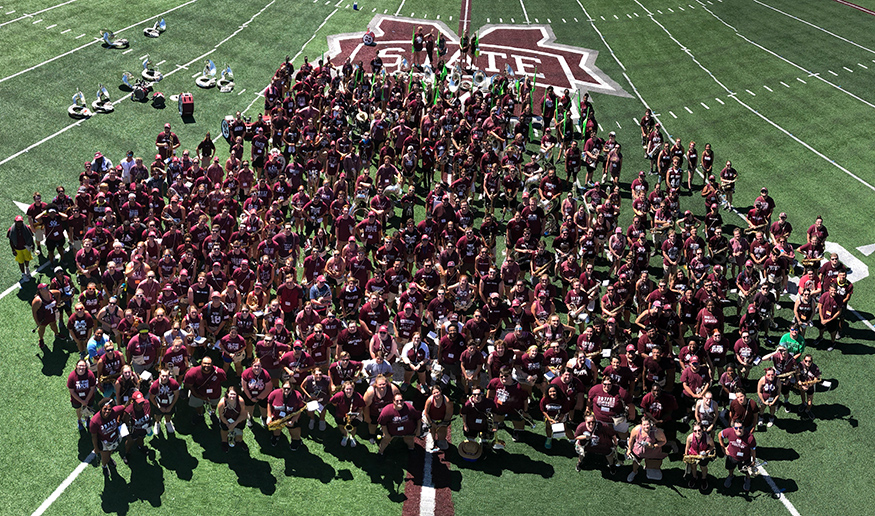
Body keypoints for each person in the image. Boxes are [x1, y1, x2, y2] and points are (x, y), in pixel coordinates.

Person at [183, 356, 227, 426]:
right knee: (198, 405)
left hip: (214, 394)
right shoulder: (192, 372)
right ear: (201, 363)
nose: (207, 365)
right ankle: (200, 414)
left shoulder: (219, 372)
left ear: (212, 364)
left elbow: (223, 380)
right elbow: (189, 385)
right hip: (198, 393)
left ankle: (212, 413)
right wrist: (198, 396)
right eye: (205, 363)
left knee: (214, 404)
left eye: (209, 364)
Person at [90, 399, 126, 478]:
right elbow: (94, 436)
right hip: (104, 443)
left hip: (114, 439)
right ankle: (104, 466)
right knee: (105, 456)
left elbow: (124, 407)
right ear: (101, 408)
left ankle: (108, 459)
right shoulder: (95, 421)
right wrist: (96, 448)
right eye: (105, 409)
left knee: (110, 452)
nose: (107, 411)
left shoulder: (114, 411)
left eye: (109, 409)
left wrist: (119, 419)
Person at [718, 419, 757, 492]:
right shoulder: (729, 432)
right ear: (733, 428)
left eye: (740, 428)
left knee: (747, 471)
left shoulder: (750, 438)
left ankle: (748, 479)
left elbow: (753, 450)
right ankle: (730, 476)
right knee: (730, 468)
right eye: (736, 428)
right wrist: (723, 448)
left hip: (745, 458)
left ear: (744, 427)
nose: (738, 430)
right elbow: (720, 435)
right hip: (731, 456)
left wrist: (753, 460)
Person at [626, 416, 668, 482]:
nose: (646, 427)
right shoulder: (636, 430)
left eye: (647, 424)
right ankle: (634, 472)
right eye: (644, 425)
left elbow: (664, 441)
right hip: (638, 451)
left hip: (652, 453)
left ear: (650, 424)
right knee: (636, 462)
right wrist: (629, 449)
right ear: (641, 424)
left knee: (652, 463)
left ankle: (648, 467)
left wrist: (654, 446)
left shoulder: (656, 432)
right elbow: (631, 439)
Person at [267, 381, 306, 450]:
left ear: (292, 388)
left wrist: (293, 420)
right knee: (276, 431)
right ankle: (276, 436)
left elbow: (301, 409)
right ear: (281, 387)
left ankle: (295, 440)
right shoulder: (274, 393)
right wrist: (269, 416)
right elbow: (269, 403)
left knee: (295, 434)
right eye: (284, 388)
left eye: (288, 388)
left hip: (291, 418)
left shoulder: (297, 395)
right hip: (277, 418)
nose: (286, 390)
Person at [363, 374, 400, 443]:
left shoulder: (393, 389)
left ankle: (386, 434)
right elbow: (365, 406)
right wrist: (367, 417)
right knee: (373, 424)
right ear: (376, 384)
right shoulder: (371, 391)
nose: (382, 386)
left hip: (388, 413)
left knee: (389, 424)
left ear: (387, 383)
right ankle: (372, 435)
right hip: (374, 412)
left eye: (384, 384)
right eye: (380, 384)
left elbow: (399, 401)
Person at [330, 380, 366, 447]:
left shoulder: (358, 396)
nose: (349, 391)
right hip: (341, 415)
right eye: (347, 389)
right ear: (344, 389)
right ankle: (345, 436)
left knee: (354, 427)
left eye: (350, 389)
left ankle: (352, 437)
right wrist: (338, 407)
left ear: (353, 389)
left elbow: (361, 407)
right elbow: (332, 401)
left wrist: (355, 415)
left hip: (353, 416)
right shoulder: (339, 395)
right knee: (341, 426)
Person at [122, 391, 153, 464]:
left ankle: (140, 447)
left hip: (143, 429)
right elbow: (123, 424)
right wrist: (128, 436)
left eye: (142, 401)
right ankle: (127, 453)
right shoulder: (128, 411)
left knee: (141, 438)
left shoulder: (147, 403)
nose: (142, 404)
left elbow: (149, 414)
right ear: (134, 402)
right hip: (133, 431)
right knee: (130, 442)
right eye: (139, 402)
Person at [684, 422, 715, 490]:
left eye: (699, 430)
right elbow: (687, 447)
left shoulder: (708, 438)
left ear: (702, 430)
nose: (697, 432)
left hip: (703, 456)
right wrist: (686, 456)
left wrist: (706, 452)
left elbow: (712, 446)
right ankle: (694, 477)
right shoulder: (690, 437)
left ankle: (704, 478)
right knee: (693, 467)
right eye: (695, 431)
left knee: (703, 468)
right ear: (693, 431)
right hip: (693, 455)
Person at [149, 368, 180, 435]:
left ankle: (168, 422)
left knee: (169, 414)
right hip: (159, 403)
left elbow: (176, 395)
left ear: (169, 375)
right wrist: (159, 407)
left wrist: (171, 406)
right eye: (163, 376)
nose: (165, 378)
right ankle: (157, 423)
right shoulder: (155, 385)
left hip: (170, 403)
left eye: (166, 376)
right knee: (157, 415)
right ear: (160, 375)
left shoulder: (174, 383)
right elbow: (151, 398)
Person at [68, 359, 97, 431]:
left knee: (88, 409)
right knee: (78, 410)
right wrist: (81, 401)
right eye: (80, 366)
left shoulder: (90, 374)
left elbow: (92, 388)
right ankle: (80, 420)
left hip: (88, 397)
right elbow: (72, 391)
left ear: (86, 367)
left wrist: (86, 400)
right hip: (77, 399)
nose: (81, 367)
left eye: (83, 366)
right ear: (76, 366)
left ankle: (87, 419)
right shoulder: (72, 376)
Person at [423, 384, 454, 452]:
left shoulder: (447, 401)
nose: (436, 394)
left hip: (442, 420)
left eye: (437, 392)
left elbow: (449, 413)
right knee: (432, 430)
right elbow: (426, 412)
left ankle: (441, 440)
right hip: (431, 419)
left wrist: (442, 423)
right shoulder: (429, 400)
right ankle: (432, 439)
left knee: (442, 431)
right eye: (434, 393)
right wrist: (431, 423)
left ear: (440, 391)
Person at [216, 386, 248, 451]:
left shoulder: (240, 401)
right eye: (231, 394)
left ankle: (240, 441)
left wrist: (234, 423)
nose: (232, 396)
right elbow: (221, 416)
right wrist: (228, 424)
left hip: (238, 419)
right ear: (227, 394)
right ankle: (224, 442)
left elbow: (243, 414)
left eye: (234, 394)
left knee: (239, 431)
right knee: (224, 429)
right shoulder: (222, 403)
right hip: (226, 420)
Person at [32, 282, 61, 349]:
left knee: (54, 325)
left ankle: (57, 334)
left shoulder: (51, 293)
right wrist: (37, 322)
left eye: (47, 287)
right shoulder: (38, 301)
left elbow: (58, 292)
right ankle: (41, 339)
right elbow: (34, 312)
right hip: (43, 318)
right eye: (45, 288)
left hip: (52, 314)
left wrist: (58, 303)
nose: (47, 288)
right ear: (40, 290)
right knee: (42, 328)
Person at [7, 215, 35, 282]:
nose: (19, 223)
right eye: (18, 222)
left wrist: (33, 245)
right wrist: (13, 249)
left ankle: (27, 269)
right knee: (20, 262)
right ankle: (23, 274)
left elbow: (31, 237)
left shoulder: (27, 228)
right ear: (15, 222)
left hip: (26, 247)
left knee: (27, 259)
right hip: (17, 248)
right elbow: (11, 240)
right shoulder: (11, 230)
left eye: (20, 222)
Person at [796, 354, 822, 420]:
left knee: (810, 403)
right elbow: (797, 375)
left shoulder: (815, 368)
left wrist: (809, 385)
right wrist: (800, 383)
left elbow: (815, 379)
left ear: (812, 361)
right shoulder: (800, 365)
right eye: (806, 361)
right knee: (802, 395)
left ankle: (808, 410)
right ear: (803, 360)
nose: (808, 363)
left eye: (809, 361)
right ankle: (803, 403)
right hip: (802, 384)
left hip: (810, 386)